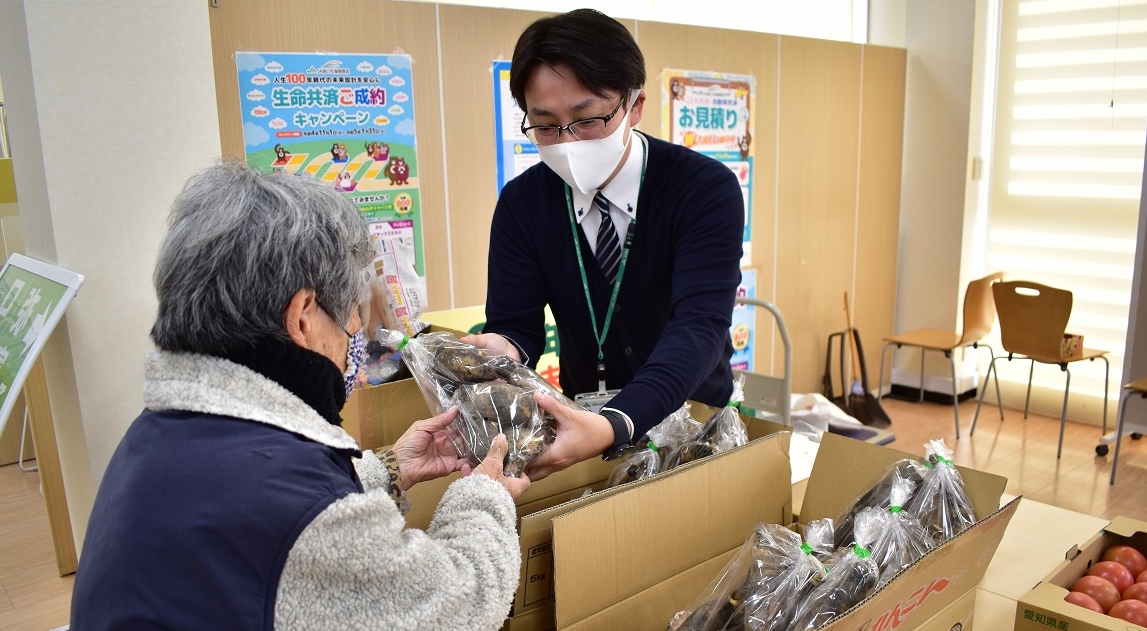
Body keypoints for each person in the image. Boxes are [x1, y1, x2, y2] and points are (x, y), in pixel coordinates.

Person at [70, 162, 529, 630]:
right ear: (304, 316)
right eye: (353, 313)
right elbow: (461, 603)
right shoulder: (297, 512)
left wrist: (386, 471)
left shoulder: (160, 432)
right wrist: (484, 494)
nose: (357, 334)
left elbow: (263, 529)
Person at [465, 8, 743, 481]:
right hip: (582, 426)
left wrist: (617, 420)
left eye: (587, 117)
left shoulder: (703, 188)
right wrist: (500, 349)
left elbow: (698, 326)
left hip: (696, 423)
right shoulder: (523, 203)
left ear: (634, 105)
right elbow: (517, 326)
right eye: (546, 125)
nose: (567, 141)